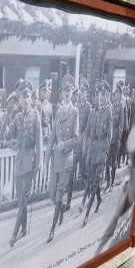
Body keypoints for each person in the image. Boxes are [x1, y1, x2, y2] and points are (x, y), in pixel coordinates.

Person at [5, 80, 43, 247]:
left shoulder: (36, 116)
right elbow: (6, 135)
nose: (26, 100)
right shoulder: (17, 117)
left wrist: (38, 166)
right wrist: (7, 113)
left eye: (28, 97)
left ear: (30, 98)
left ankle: (14, 234)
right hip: (19, 162)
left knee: (22, 201)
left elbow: (39, 144)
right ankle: (25, 228)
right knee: (21, 198)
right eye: (22, 97)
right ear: (19, 100)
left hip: (29, 162)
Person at [45, 74, 79, 243]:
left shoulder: (74, 112)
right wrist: (45, 159)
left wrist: (64, 145)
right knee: (51, 193)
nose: (67, 93)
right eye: (64, 91)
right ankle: (58, 211)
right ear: (61, 93)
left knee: (58, 193)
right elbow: (52, 136)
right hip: (56, 160)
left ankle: (52, 229)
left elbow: (76, 138)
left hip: (66, 160)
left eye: (69, 90)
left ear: (72, 92)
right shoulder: (58, 111)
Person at [81, 80, 112, 227]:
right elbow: (90, 134)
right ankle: (98, 199)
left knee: (95, 181)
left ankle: (86, 214)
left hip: (102, 151)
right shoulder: (95, 112)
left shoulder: (108, 111)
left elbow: (109, 135)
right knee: (92, 178)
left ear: (107, 96)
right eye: (99, 95)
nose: (101, 97)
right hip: (94, 150)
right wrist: (88, 151)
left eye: (104, 95)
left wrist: (105, 151)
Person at [65, 77, 92, 212]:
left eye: (84, 91)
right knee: (70, 174)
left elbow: (87, 128)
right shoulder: (75, 107)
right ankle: (68, 203)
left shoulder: (88, 107)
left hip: (82, 145)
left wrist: (82, 141)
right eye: (80, 91)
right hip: (75, 145)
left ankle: (89, 195)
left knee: (83, 173)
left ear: (87, 93)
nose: (82, 93)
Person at [105, 81, 123, 191]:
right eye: (114, 93)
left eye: (116, 94)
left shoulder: (121, 106)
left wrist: (119, 138)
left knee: (113, 162)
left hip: (116, 138)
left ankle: (111, 183)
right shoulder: (111, 105)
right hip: (109, 138)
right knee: (107, 162)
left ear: (120, 95)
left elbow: (121, 124)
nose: (114, 95)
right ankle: (107, 182)